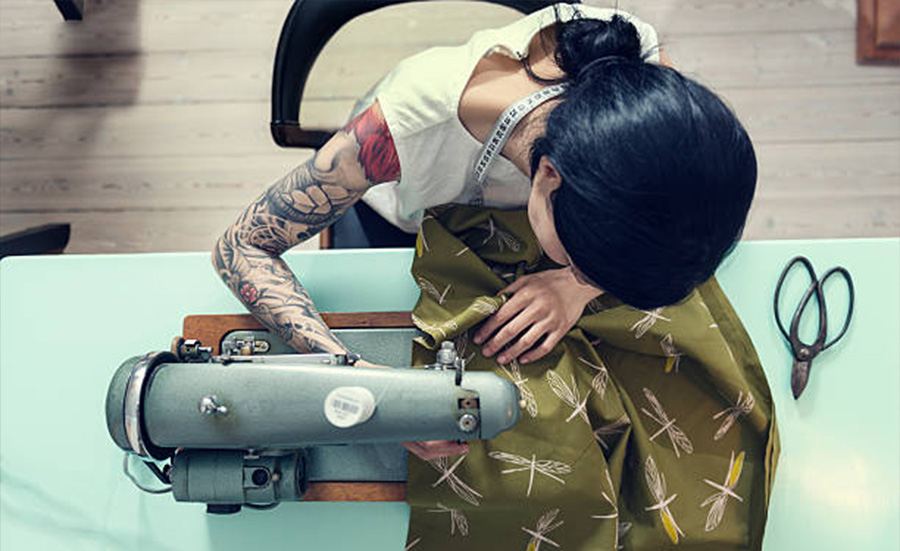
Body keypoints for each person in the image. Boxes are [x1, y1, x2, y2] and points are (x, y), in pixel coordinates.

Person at [212, 3, 757, 462]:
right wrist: (366, 387)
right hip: (404, 217)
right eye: (585, 266)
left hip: (546, 222)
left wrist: (576, 285)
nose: (590, 278)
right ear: (548, 176)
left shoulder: (638, 70)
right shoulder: (403, 127)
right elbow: (240, 246)